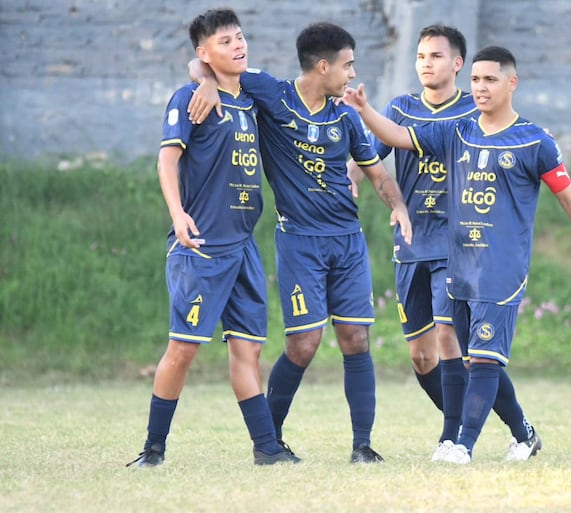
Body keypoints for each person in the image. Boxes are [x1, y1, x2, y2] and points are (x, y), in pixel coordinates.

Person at [343, 45, 571, 463]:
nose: (480, 87)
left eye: (490, 79)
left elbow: (570, 200)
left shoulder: (534, 140)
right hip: (460, 265)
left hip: (501, 268)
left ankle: (461, 445)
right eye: (475, 80)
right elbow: (399, 137)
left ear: (512, 83)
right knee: (476, 360)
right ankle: (524, 434)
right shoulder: (458, 131)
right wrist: (364, 111)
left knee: (484, 359)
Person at [187, 22, 412, 463]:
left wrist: (398, 206)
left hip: (347, 243)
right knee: (303, 344)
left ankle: (362, 445)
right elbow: (200, 61)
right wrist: (208, 83)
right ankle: (268, 442)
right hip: (300, 242)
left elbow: (377, 173)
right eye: (347, 66)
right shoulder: (273, 95)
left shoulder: (345, 115)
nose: (352, 75)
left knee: (355, 338)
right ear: (323, 66)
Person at [347, 25, 528, 461]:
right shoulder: (401, 108)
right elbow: (370, 158)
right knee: (422, 357)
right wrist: (346, 185)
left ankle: (454, 438)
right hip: (411, 246)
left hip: (459, 246)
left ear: (457, 64)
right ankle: (514, 428)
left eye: (436, 55)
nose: (426, 63)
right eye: (421, 55)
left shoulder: (472, 112)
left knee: (453, 340)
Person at [126, 8, 298, 468]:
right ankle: (153, 450)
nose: (238, 46)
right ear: (205, 53)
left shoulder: (253, 100)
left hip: (243, 246)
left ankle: (266, 448)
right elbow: (167, 162)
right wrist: (177, 214)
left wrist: (208, 76)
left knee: (249, 349)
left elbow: (221, 72)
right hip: (200, 246)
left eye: (240, 37)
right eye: (225, 42)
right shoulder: (189, 98)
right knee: (183, 348)